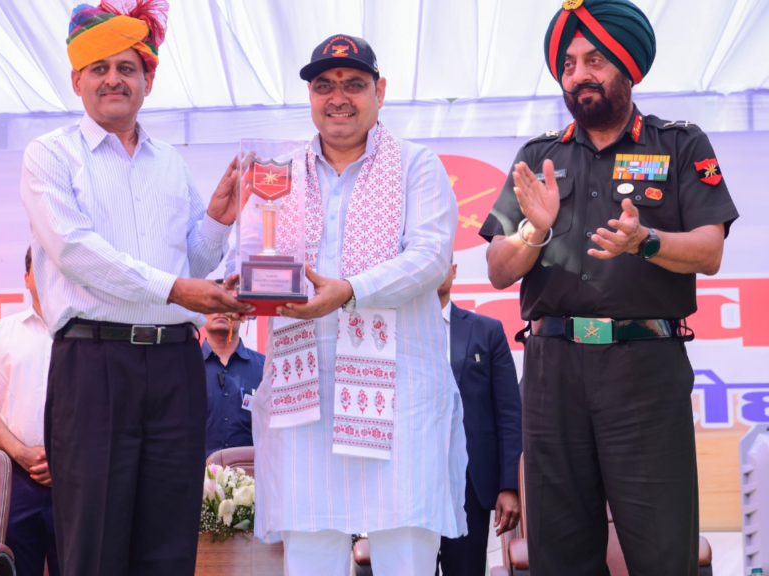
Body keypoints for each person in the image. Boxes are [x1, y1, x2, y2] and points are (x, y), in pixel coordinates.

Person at [479, 0, 739, 573]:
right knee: (558, 553)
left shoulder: (679, 144)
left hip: (644, 368)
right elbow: (498, 268)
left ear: (628, 67)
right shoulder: (538, 156)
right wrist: (534, 231)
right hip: (552, 370)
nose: (579, 75)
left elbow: (710, 250)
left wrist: (645, 240)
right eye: (568, 64)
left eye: (594, 60)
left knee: (661, 550)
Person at [19, 3, 252, 575]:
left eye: (127, 67)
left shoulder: (169, 162)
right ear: (76, 80)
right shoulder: (50, 155)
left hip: (175, 365)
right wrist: (177, 289)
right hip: (93, 364)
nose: (113, 79)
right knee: (95, 543)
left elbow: (192, 261)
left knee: (170, 541)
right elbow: (76, 251)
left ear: (148, 80)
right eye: (98, 68)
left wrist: (217, 222)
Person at [250, 34, 466, 576]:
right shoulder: (278, 172)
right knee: (310, 552)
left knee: (405, 551)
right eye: (324, 86)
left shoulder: (417, 165)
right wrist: (241, 278)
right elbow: (253, 252)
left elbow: (429, 258)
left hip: (398, 398)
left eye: (353, 84)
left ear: (379, 91)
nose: (338, 97)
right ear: (310, 96)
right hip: (303, 399)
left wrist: (349, 290)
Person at [435, 261, 522, 576]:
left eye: (441, 260)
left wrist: (509, 486)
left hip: (469, 483)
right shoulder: (392, 330)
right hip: (410, 480)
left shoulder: (487, 330)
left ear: (454, 269)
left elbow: (509, 413)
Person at [0, 248, 59, 576]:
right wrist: (21, 453)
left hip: (75, 477)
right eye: (39, 267)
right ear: (26, 278)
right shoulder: (0, 334)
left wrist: (64, 459)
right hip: (13, 479)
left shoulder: (90, 338)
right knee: (12, 568)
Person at [202, 309, 264, 457]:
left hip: (251, 469)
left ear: (243, 316)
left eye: (229, 305)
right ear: (201, 313)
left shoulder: (265, 367)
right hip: (197, 469)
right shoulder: (186, 367)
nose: (221, 310)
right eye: (215, 304)